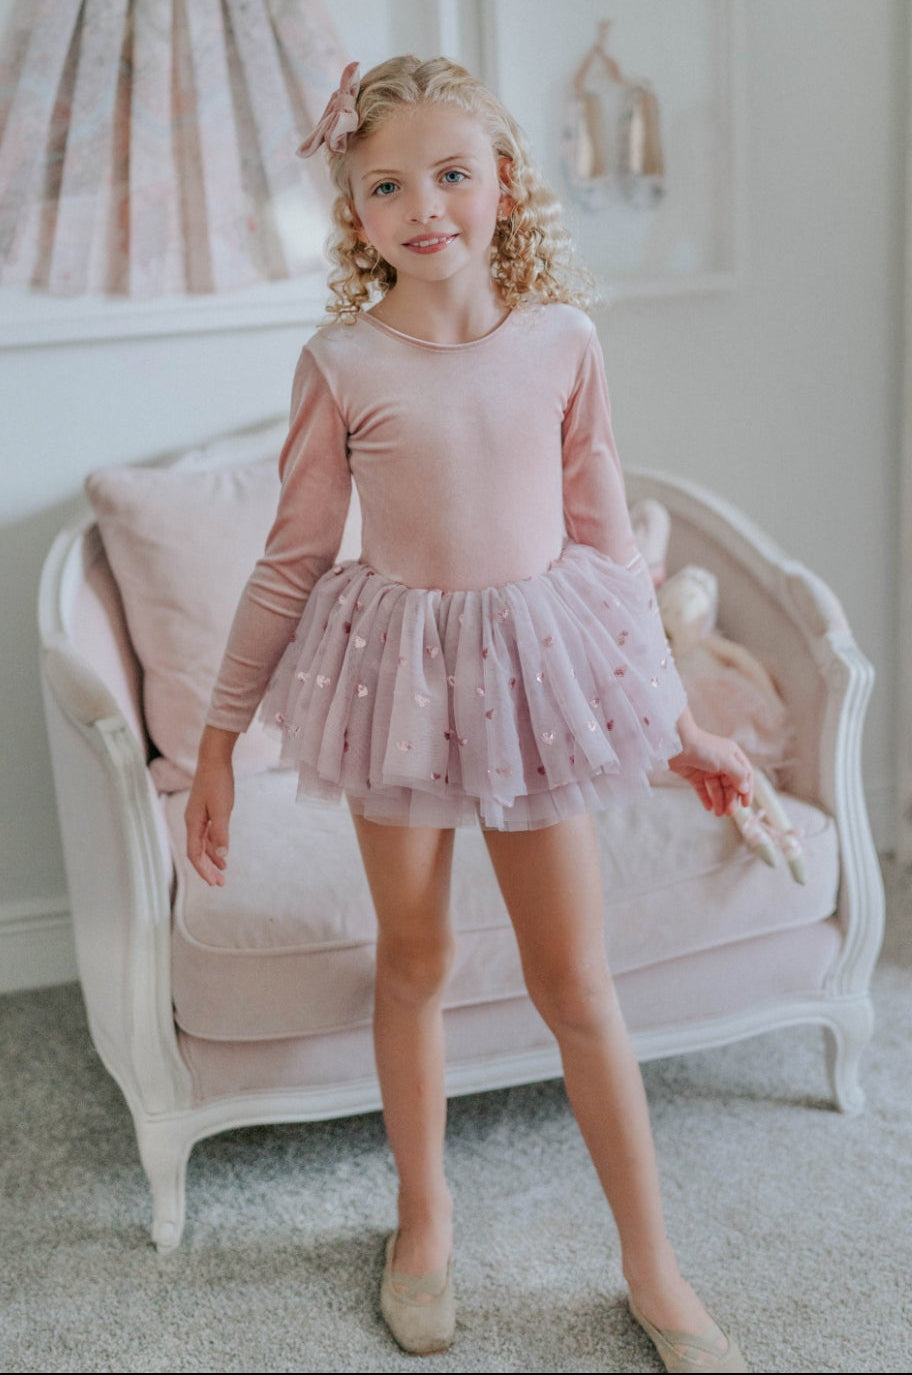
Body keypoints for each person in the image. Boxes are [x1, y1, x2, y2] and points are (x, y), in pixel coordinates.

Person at [185, 55, 752, 1372]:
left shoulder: (563, 341)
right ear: (355, 215)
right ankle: (422, 1219)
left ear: (501, 183)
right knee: (415, 961)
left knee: (575, 983)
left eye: (450, 173)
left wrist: (679, 723)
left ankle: (652, 1266)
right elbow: (290, 559)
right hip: (397, 685)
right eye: (387, 184)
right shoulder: (340, 360)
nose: (423, 204)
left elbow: (609, 547)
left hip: (535, 678)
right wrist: (214, 740)